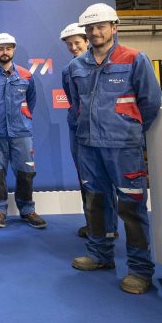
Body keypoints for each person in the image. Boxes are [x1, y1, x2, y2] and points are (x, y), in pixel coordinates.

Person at [67, 3, 162, 294]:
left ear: (114, 27)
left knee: (131, 208)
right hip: (89, 147)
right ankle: (100, 254)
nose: (95, 32)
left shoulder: (135, 59)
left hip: (123, 148)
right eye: (90, 28)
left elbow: (150, 102)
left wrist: (128, 129)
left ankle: (140, 269)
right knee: (95, 203)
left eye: (101, 26)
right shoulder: (75, 66)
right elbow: (76, 104)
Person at [0, 33, 47, 229]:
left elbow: (31, 101)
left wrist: (21, 120)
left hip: (21, 132)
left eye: (8, 48)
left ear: (14, 50)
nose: (4, 52)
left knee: (26, 172)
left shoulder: (26, 75)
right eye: (0, 48)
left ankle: (27, 210)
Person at [60, 22, 118, 240]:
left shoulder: (108, 64)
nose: (73, 47)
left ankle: (108, 227)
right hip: (79, 129)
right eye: (69, 44)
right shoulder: (69, 69)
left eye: (77, 42)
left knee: (105, 180)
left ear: (87, 41)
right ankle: (95, 225)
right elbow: (72, 99)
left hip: (104, 131)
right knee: (87, 180)